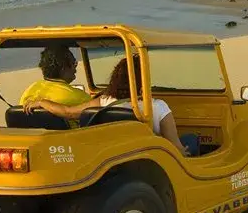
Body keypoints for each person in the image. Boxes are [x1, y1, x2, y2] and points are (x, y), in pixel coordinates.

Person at [23, 54, 196, 156]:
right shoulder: (157, 107)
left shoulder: (103, 101)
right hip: (150, 157)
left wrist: (40, 102)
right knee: (192, 140)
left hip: (115, 155)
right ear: (143, 79)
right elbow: (176, 148)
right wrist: (185, 150)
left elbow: (67, 112)